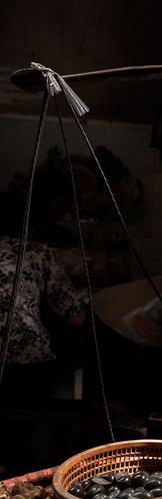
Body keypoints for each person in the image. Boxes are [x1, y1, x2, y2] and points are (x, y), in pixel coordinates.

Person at [0, 192, 86, 471]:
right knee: (24, 427)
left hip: (16, 365)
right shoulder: (37, 252)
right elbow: (77, 317)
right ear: (29, 225)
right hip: (26, 361)